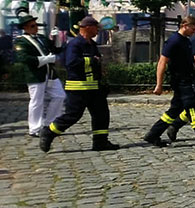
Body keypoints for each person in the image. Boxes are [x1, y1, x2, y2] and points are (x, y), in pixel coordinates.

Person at [39, 17, 118, 152]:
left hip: (94, 88)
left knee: (101, 115)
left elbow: (97, 61)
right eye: (95, 27)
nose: (98, 30)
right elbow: (71, 62)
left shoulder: (91, 44)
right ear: (87, 27)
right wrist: (91, 60)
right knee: (73, 116)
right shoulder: (75, 44)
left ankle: (100, 142)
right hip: (78, 88)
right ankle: (49, 132)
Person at [142, 16, 195, 151]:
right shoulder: (174, 41)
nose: (194, 32)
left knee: (174, 111)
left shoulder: (187, 41)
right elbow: (162, 62)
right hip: (180, 82)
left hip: (187, 79)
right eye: (193, 28)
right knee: (193, 110)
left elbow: (192, 64)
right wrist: (159, 84)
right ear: (184, 25)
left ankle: (153, 134)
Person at [14, 12, 65, 138]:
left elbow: (56, 50)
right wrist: (45, 59)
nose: (35, 27)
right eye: (32, 26)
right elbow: (24, 58)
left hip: (50, 73)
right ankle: (35, 128)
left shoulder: (42, 38)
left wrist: (56, 38)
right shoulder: (21, 42)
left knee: (60, 96)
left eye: (36, 25)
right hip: (35, 74)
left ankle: (50, 123)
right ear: (25, 28)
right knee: (37, 101)